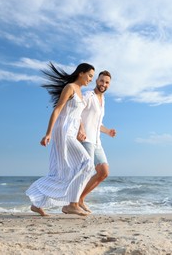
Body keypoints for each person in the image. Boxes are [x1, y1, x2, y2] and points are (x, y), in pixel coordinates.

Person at [25, 62, 95, 216]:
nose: (91, 79)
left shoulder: (81, 93)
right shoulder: (70, 87)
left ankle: (37, 203)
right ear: (81, 73)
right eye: (90, 75)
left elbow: (78, 116)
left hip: (71, 132)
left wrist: (81, 130)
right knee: (87, 163)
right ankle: (72, 204)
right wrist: (48, 133)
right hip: (63, 131)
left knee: (63, 172)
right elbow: (57, 109)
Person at [76, 70, 116, 213]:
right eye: (101, 81)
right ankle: (72, 202)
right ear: (96, 81)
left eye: (106, 82)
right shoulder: (88, 95)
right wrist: (81, 129)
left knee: (104, 172)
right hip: (86, 140)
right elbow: (77, 113)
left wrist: (108, 131)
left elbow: (98, 124)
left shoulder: (103, 100)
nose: (103, 84)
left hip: (97, 142)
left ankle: (80, 199)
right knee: (85, 171)